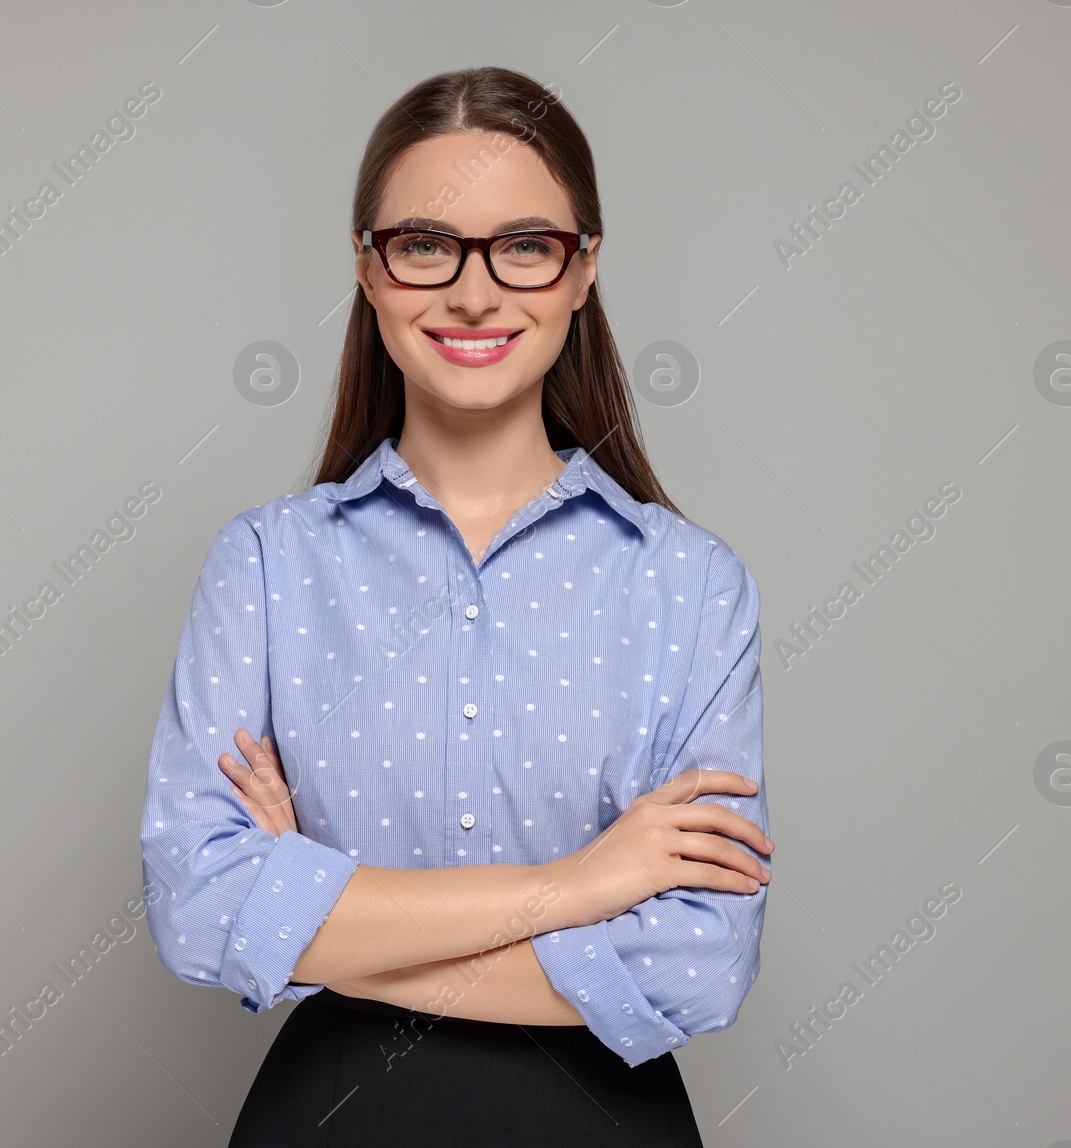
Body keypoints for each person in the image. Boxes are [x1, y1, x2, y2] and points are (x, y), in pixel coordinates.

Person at [139, 65, 773, 1148]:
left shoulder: (689, 584)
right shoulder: (264, 564)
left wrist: (322, 914)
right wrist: (580, 884)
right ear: (368, 268)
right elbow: (200, 908)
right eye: (426, 244)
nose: (474, 293)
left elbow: (699, 964)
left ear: (582, 271)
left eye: (524, 245)